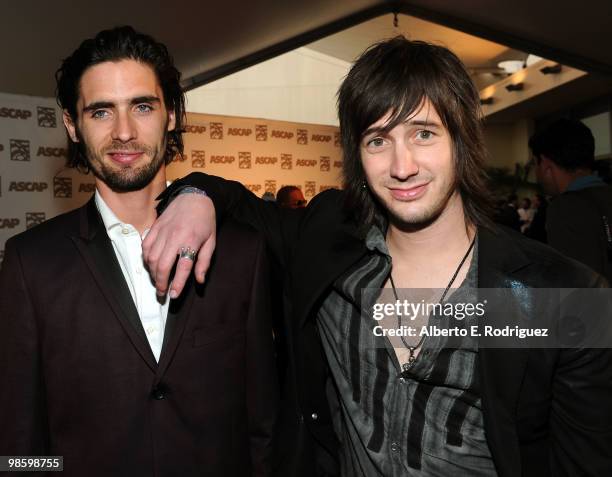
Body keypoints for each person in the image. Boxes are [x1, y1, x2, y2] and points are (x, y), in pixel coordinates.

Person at [143, 37, 612, 476]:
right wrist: (193, 195)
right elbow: (236, 201)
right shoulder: (327, 240)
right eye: (377, 140)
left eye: (424, 134)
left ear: (463, 140)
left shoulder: (558, 295)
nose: (402, 166)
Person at [0, 26, 277, 477]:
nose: (124, 133)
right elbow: (19, 439)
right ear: (72, 124)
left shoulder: (242, 251)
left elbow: (262, 425)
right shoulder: (31, 263)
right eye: (101, 112)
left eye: (142, 107)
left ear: (170, 115)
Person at [530, 118, 612, 281]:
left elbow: (576, 288)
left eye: (535, 164)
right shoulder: (605, 195)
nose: (536, 172)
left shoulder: (565, 209)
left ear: (546, 164)